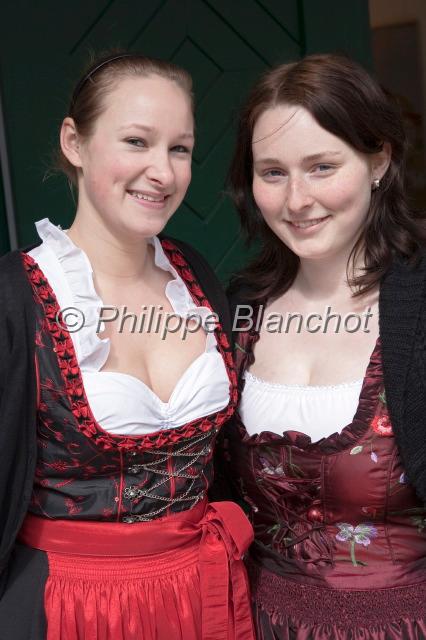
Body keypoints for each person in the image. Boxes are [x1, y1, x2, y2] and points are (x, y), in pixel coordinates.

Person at [0, 52, 255, 640]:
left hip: (206, 593)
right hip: (72, 609)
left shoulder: (195, 274)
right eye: (137, 142)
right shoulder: (17, 297)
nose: (162, 172)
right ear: (74, 141)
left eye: (180, 148)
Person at [223, 53, 426, 638]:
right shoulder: (236, 310)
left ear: (378, 159)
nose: (296, 201)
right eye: (273, 172)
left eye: (321, 167)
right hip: (260, 623)